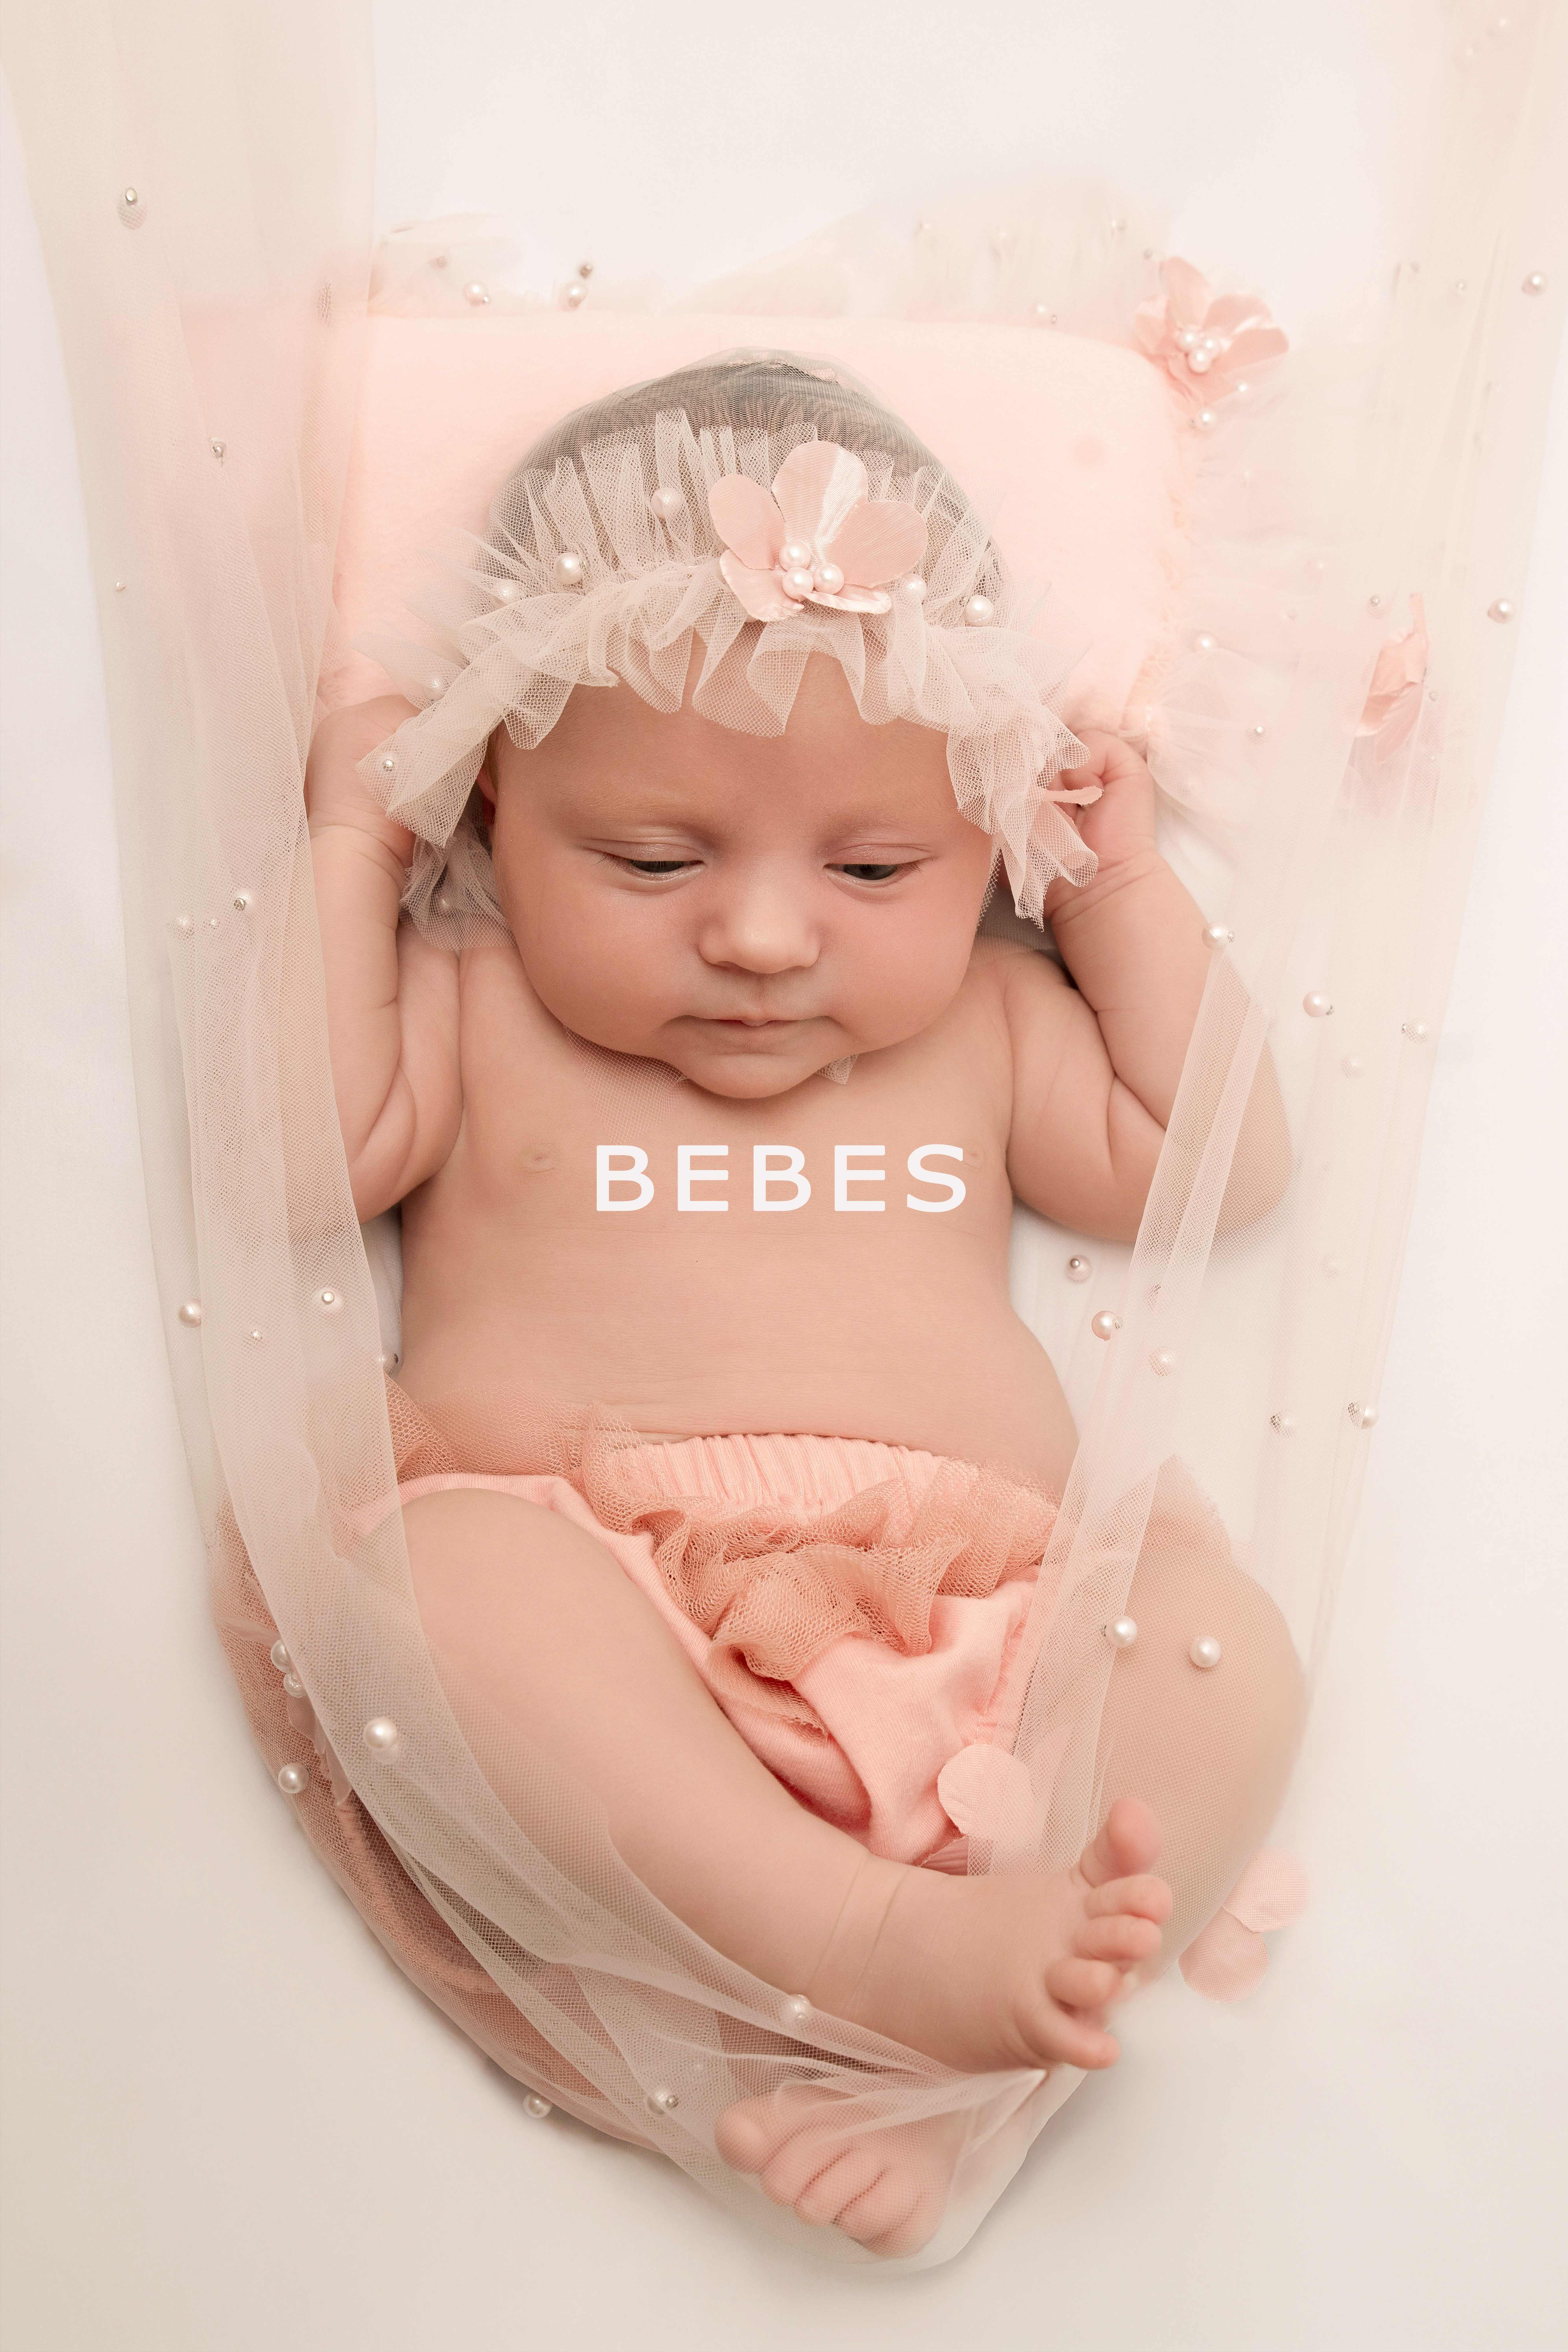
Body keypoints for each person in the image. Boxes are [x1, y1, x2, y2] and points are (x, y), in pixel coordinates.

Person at [304, 355, 1304, 2253]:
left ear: (983, 839)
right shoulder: (476, 1005)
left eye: (874, 867)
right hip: (609, 1607)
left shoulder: (996, 1024)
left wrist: (1114, 892)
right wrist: (356, 846)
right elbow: (297, 1151)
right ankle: (862, 1943)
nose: (762, 938)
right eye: (651, 857)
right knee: (418, 1589)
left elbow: (1224, 1160)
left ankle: (969, 2078)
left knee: (1220, 1639)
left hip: (989, 1634)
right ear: (494, 799)